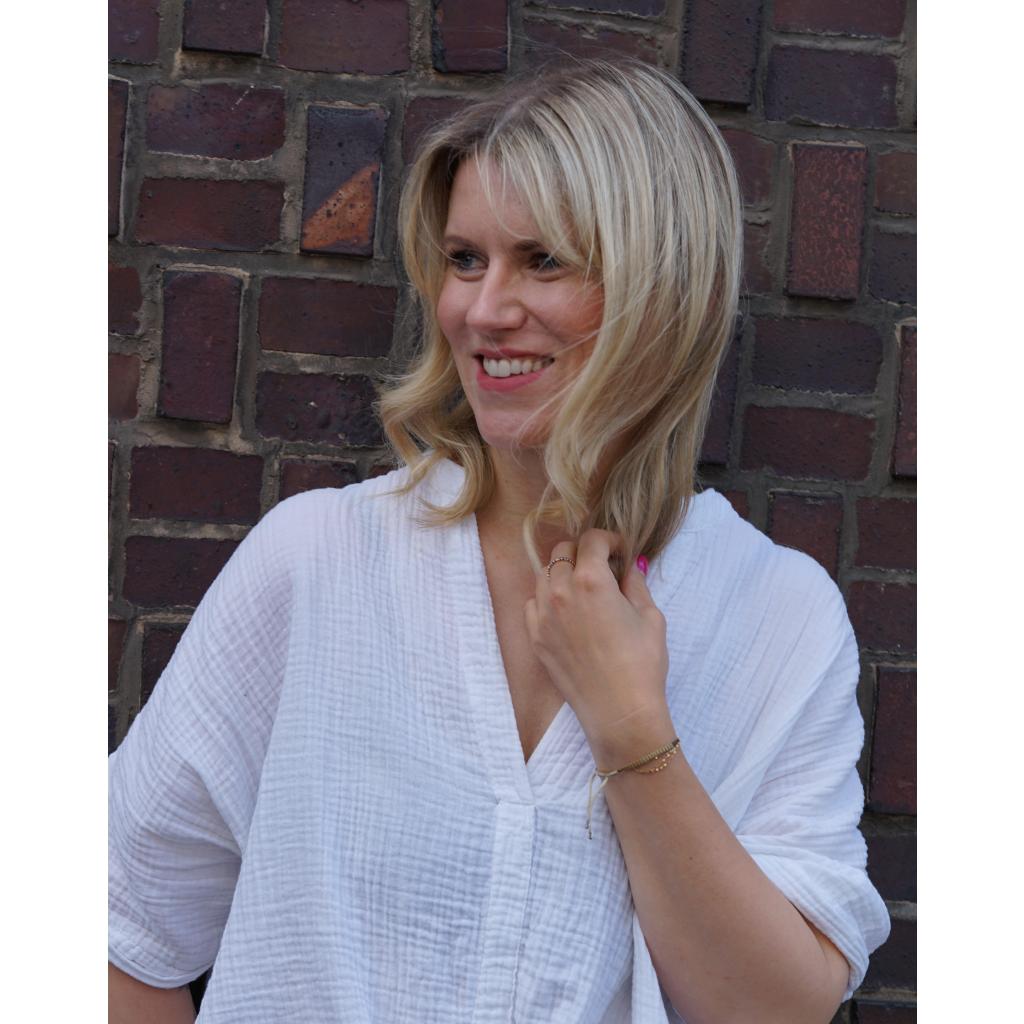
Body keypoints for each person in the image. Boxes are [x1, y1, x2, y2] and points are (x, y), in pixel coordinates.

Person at [109, 58, 890, 1023]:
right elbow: (114, 928)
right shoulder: (319, 564)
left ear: (662, 289)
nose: (481, 310)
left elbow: (775, 1010)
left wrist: (631, 729)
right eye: (466, 259)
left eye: (543, 260)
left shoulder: (779, 618)